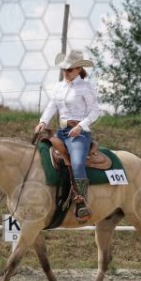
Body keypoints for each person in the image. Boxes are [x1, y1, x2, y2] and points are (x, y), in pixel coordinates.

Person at [35, 49, 100, 221]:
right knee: (41, 153)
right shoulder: (59, 87)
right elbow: (52, 106)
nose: (65, 72)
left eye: (69, 69)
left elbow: (95, 111)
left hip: (79, 134)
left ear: (78, 69)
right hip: (61, 132)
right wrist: (43, 122)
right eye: (64, 69)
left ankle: (82, 202)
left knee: (77, 163)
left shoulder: (86, 87)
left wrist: (80, 126)